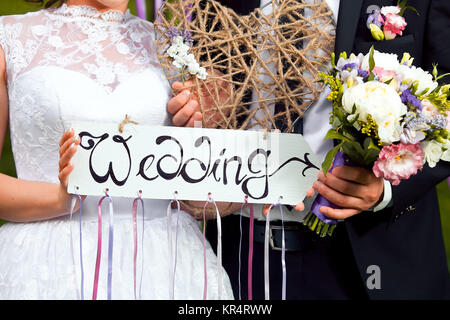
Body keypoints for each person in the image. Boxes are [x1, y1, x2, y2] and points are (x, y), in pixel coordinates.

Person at [170, 0, 450, 299]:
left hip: (368, 256)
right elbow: (206, 87)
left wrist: (387, 186)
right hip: (240, 252)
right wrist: (190, 114)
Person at [0, 0, 234, 299]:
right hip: (48, 264)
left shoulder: (173, 50)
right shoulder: (10, 37)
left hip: (163, 266)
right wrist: (59, 199)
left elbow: (194, 187)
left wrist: (262, 185)